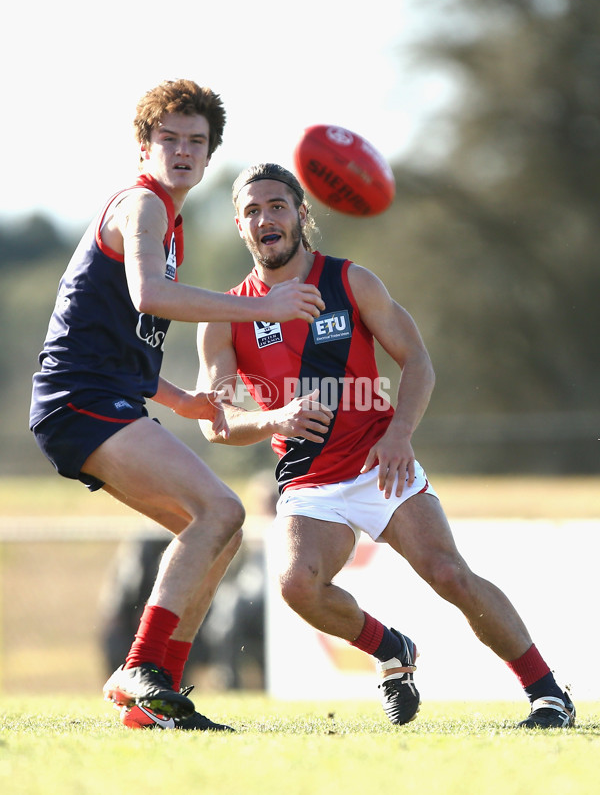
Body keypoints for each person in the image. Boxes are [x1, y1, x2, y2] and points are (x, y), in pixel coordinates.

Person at [196, 162, 575, 729]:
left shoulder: (351, 282)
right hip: (308, 482)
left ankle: (549, 695)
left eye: (277, 205)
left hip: (380, 464)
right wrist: (278, 417)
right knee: (299, 587)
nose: (265, 218)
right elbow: (215, 422)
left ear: (302, 214)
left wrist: (400, 435)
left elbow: (417, 360)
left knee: (450, 575)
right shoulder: (225, 316)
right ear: (239, 226)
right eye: (252, 211)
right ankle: (392, 650)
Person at [29, 85, 324, 732]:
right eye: (171, 139)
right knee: (220, 509)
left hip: (95, 395)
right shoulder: (143, 205)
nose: (184, 151)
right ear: (145, 147)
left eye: (196, 141)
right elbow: (150, 294)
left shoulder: (170, 220)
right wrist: (261, 307)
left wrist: (182, 398)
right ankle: (141, 670)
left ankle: (157, 699)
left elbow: (122, 341)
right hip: (78, 400)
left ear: (210, 152)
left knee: (219, 533)